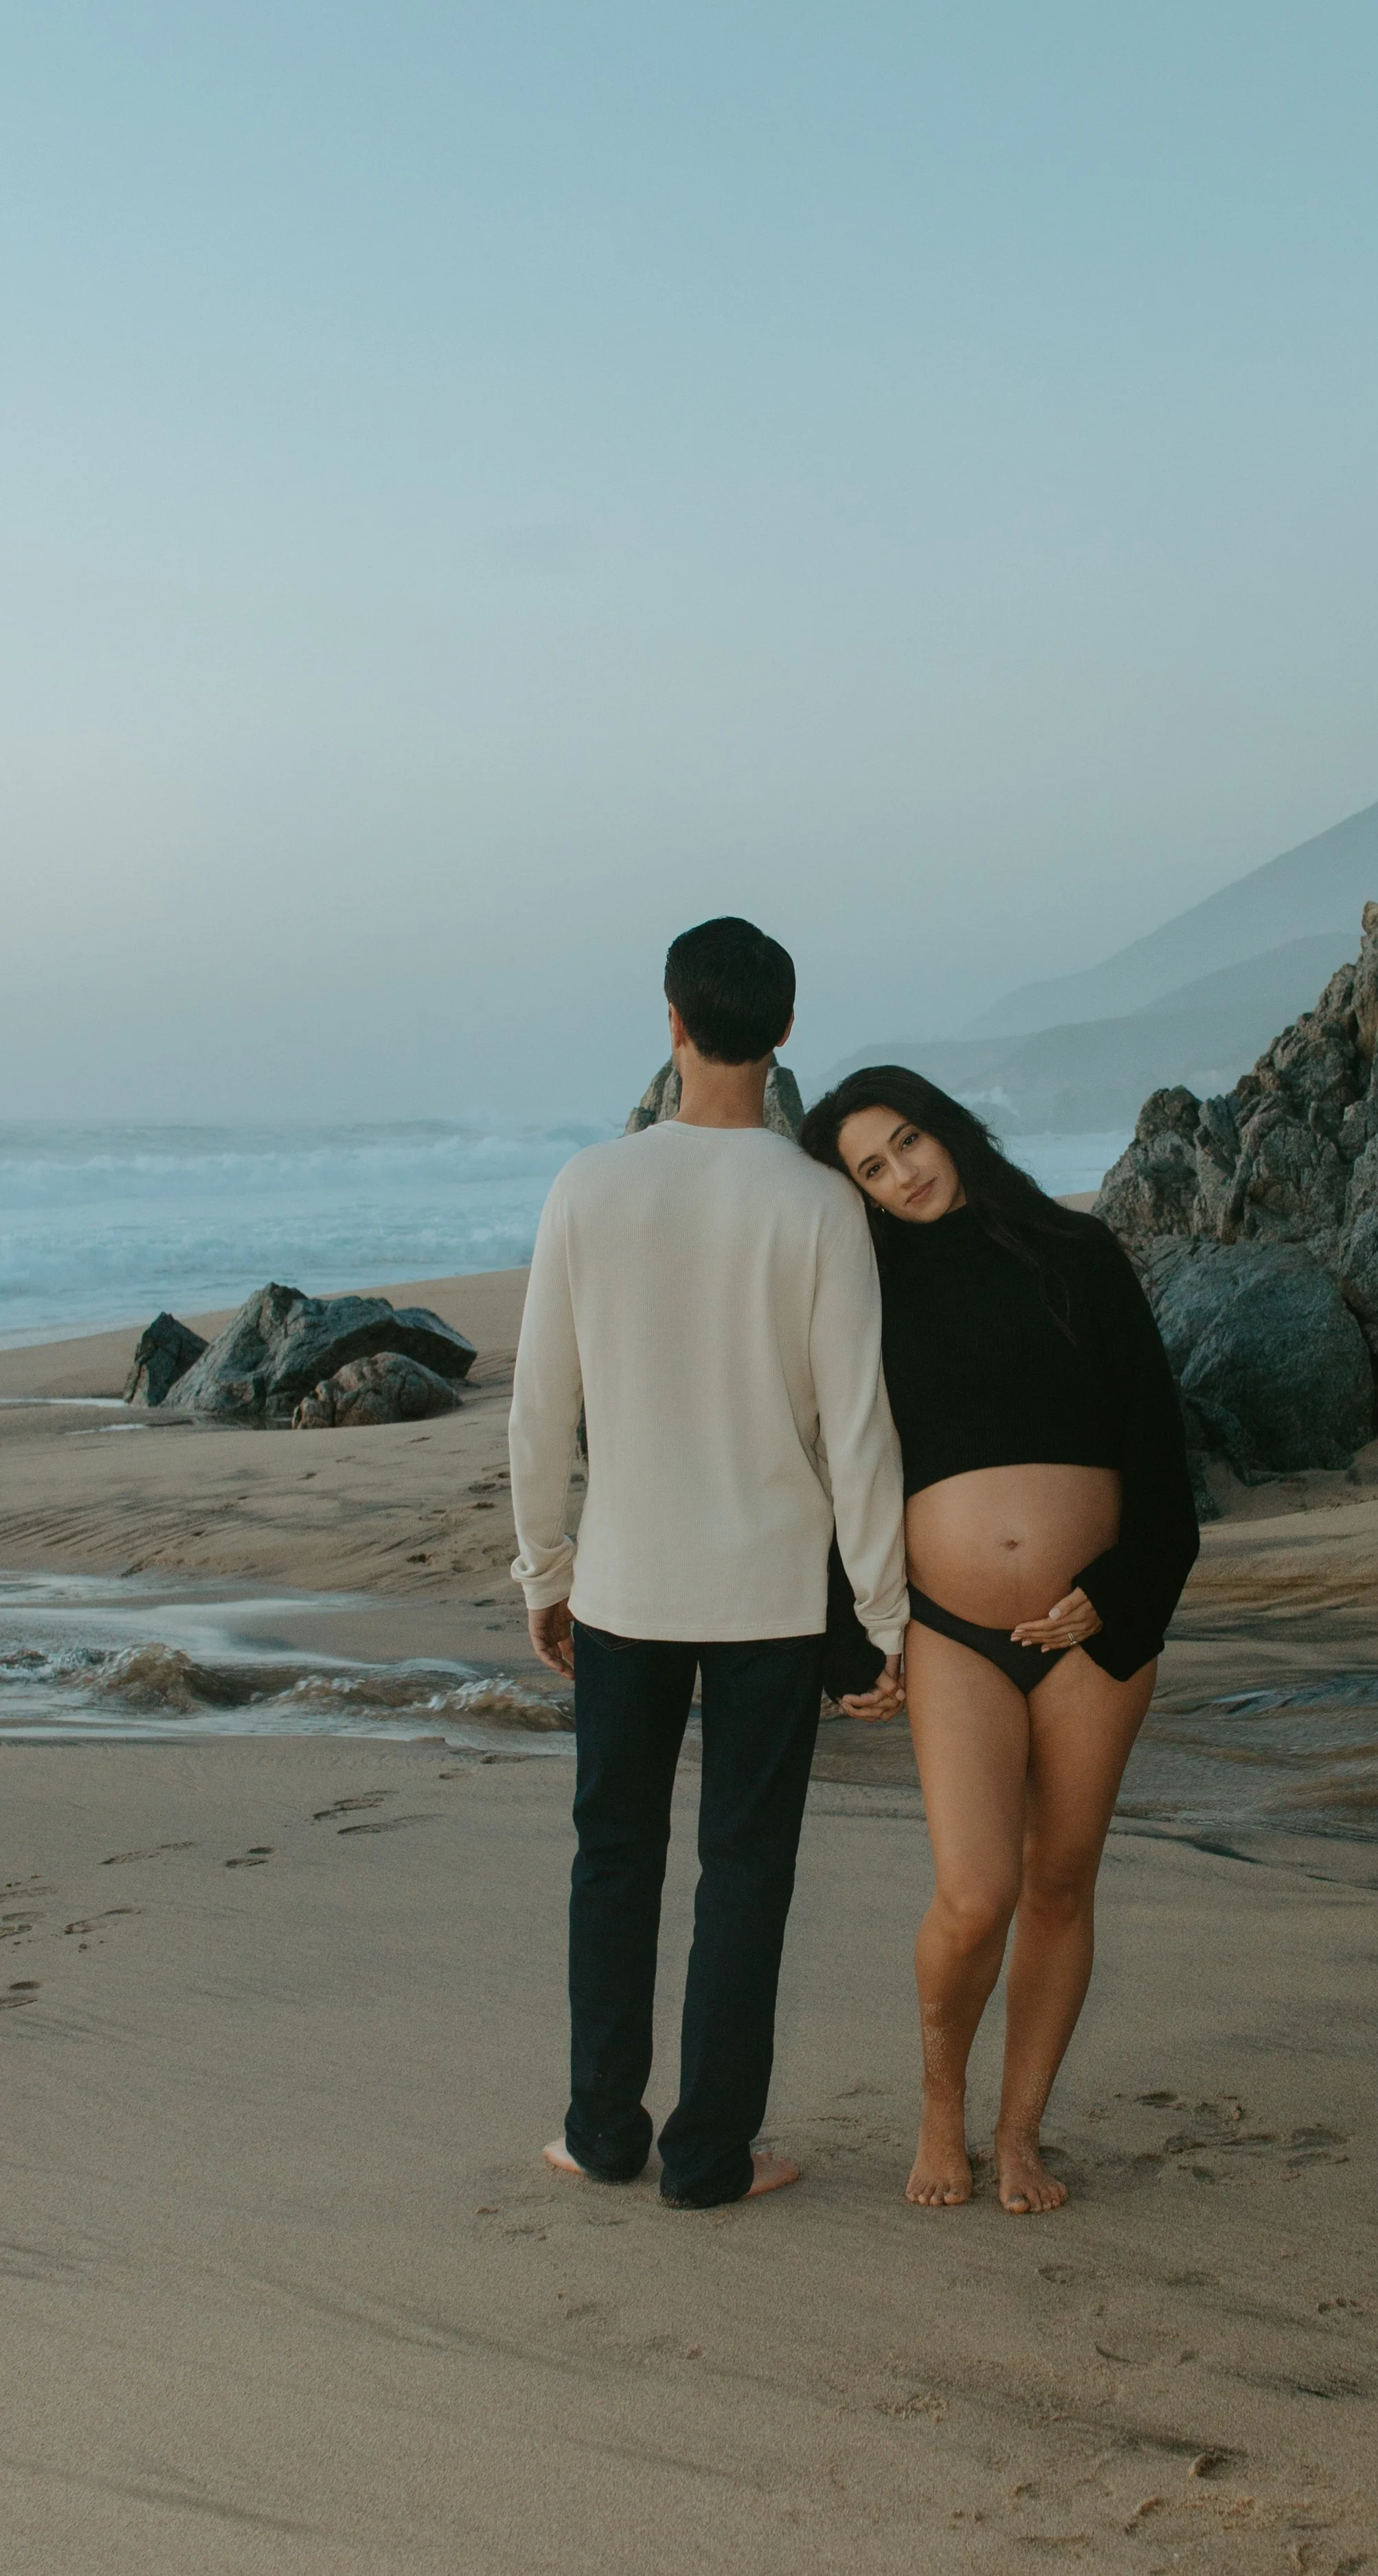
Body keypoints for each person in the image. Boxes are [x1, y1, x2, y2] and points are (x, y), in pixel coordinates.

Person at [509, 920, 907, 2211]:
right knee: (746, 1872)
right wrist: (889, 1618)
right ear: (784, 1035)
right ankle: (708, 2156)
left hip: (624, 1585)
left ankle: (601, 2132)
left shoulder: (589, 1185)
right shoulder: (821, 1205)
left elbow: (537, 1415)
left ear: (671, 1023)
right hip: (772, 1598)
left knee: (611, 1857)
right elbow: (858, 1434)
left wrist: (542, 1574)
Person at [801, 1069, 1199, 2216]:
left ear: (947, 1127)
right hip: (953, 1627)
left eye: (909, 1141)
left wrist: (1120, 1592)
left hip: (1093, 1627)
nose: (904, 1173)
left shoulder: (1075, 1251)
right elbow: (834, 1473)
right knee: (975, 1893)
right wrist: (845, 1639)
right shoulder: (860, 1293)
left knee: (1061, 1883)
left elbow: (1160, 1449)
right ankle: (941, 2109)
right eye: (872, 1168)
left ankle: (1021, 2134)